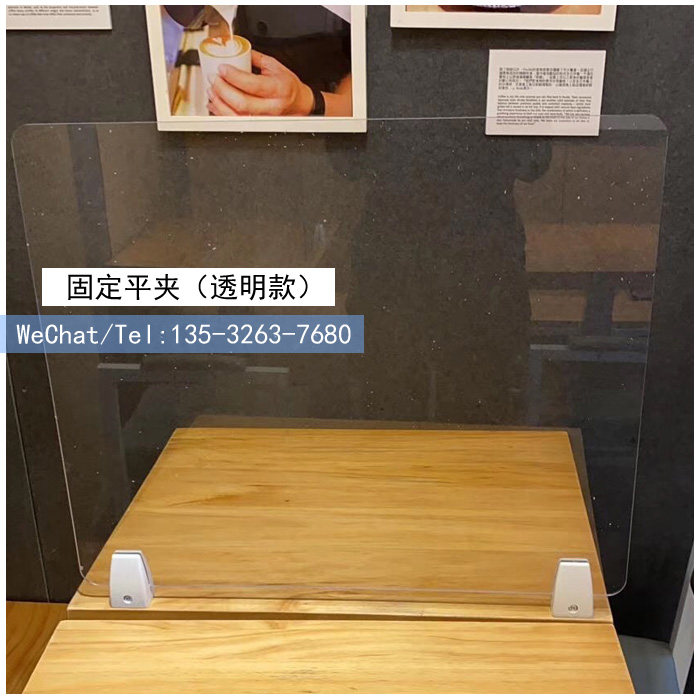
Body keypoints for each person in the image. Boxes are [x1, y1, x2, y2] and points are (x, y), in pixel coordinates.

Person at [164, 5, 353, 117]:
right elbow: (190, 15)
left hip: (325, 131)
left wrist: (308, 101)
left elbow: (364, 103)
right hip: (242, 114)